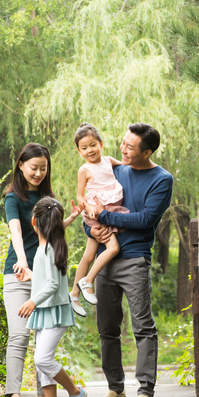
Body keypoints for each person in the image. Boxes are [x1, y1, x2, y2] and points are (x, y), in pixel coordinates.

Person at [83, 123, 174, 397]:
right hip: (105, 259)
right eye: (122, 143)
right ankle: (115, 389)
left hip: (134, 258)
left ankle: (145, 391)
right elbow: (91, 210)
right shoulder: (114, 170)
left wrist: (106, 215)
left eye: (130, 147)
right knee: (107, 328)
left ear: (146, 152)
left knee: (142, 327)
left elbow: (145, 219)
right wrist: (91, 231)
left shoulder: (162, 179)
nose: (122, 150)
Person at [1, 143, 80, 397]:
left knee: (41, 342)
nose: (38, 173)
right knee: (19, 334)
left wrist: (68, 219)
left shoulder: (48, 196)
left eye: (43, 168)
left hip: (45, 277)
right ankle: (13, 396)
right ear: (20, 165)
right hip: (19, 274)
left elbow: (49, 231)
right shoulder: (13, 197)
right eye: (33, 167)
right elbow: (17, 232)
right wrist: (22, 260)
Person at [16, 197, 88, 397]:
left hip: (53, 311)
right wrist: (32, 276)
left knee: (42, 359)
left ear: (34, 221)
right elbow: (46, 278)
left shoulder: (49, 248)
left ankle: (75, 392)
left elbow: (53, 285)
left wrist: (32, 301)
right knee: (42, 365)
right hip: (47, 311)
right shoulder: (49, 245)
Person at [69, 123, 129, 317]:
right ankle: (88, 281)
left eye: (93, 145)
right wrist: (90, 207)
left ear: (101, 144)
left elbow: (127, 167)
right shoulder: (84, 170)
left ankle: (74, 294)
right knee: (113, 248)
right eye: (84, 148)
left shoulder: (109, 161)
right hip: (96, 214)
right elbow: (79, 196)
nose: (89, 150)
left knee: (88, 256)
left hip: (109, 211)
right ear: (79, 150)